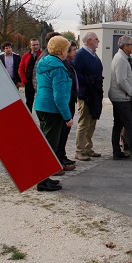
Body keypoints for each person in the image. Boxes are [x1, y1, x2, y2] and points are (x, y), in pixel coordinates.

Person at [33, 36, 74, 191]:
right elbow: (59, 96)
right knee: (50, 145)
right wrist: (67, 116)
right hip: (52, 109)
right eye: (67, 48)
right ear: (61, 50)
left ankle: (45, 177)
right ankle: (42, 181)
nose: (68, 51)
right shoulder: (58, 67)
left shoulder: (44, 62)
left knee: (46, 143)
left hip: (41, 106)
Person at [73, 31, 103, 161]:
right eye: (96, 39)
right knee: (84, 122)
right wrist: (88, 80)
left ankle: (87, 147)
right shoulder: (80, 55)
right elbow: (76, 73)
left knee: (92, 121)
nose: (98, 41)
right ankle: (79, 150)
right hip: (85, 93)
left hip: (95, 92)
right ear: (89, 40)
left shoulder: (94, 55)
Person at [56, 41, 79, 169]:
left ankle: (61, 157)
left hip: (70, 99)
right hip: (65, 101)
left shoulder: (68, 63)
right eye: (73, 50)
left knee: (64, 133)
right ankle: (58, 161)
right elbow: (60, 91)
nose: (75, 52)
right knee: (61, 132)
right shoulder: (60, 65)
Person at [19, 38, 42, 113]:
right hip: (28, 82)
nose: (36, 46)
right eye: (34, 45)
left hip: (40, 82)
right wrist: (24, 80)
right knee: (29, 102)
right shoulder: (25, 56)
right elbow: (21, 69)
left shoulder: (42, 55)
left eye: (37, 44)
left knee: (40, 102)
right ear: (30, 46)